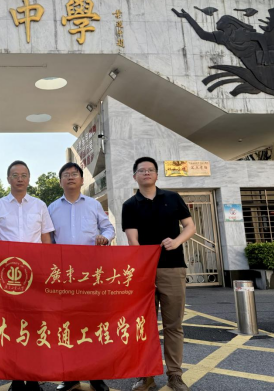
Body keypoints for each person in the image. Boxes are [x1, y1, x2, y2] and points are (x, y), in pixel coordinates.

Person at [122, 157, 196, 392]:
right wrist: (142, 264)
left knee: (174, 325)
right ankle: (146, 376)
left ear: (156, 175)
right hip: (144, 272)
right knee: (145, 326)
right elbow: (133, 240)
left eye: (150, 170)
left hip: (173, 268)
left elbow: (190, 226)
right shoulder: (130, 205)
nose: (146, 173)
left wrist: (177, 241)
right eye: (141, 170)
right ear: (134, 176)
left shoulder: (173, 198)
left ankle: (175, 375)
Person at [0, 160, 55, 392]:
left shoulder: (39, 205)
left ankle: (33, 378)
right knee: (12, 327)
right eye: (15, 175)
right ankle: (16, 378)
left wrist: (46, 271)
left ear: (29, 179)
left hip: (35, 275)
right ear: (8, 179)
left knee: (34, 327)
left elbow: (46, 239)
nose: (19, 178)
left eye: (24, 175)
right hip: (9, 277)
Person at [48, 163, 114, 392]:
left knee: (93, 325)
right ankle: (70, 377)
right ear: (60, 181)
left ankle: (96, 377)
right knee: (67, 326)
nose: (70, 178)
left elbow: (109, 229)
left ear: (81, 180)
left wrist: (104, 238)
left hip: (90, 274)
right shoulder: (52, 208)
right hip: (64, 275)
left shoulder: (94, 205)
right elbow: (48, 240)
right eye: (65, 175)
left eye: (74, 174)